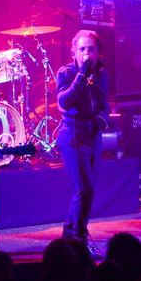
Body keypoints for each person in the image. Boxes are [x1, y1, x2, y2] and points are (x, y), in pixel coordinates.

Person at [55, 30, 110, 252]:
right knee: (85, 189)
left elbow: (104, 105)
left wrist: (101, 120)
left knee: (85, 190)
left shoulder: (101, 74)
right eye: (82, 49)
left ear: (97, 52)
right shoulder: (66, 73)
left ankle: (68, 241)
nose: (87, 53)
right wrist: (81, 75)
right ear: (74, 53)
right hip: (72, 136)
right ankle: (79, 242)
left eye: (91, 49)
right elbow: (64, 102)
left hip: (93, 136)